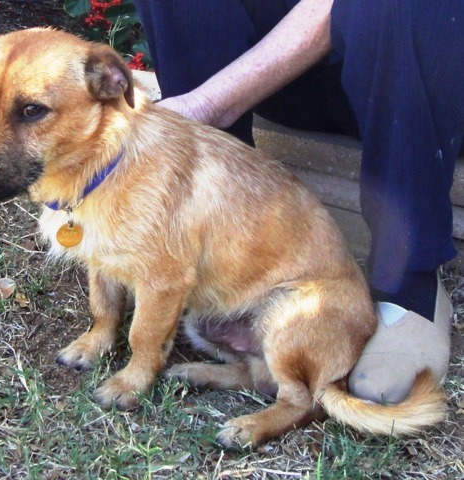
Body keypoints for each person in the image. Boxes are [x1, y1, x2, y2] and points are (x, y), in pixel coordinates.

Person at [133, 0, 464, 403]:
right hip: (308, 76)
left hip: (432, 72)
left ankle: (409, 279)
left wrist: (205, 104)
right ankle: (219, 246)